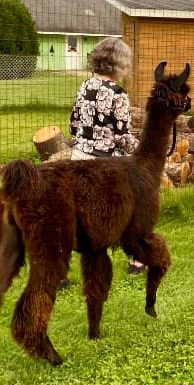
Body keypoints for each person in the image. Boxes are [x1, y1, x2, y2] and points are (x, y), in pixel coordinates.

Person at [69, 37, 145, 274]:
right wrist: (142, 149)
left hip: (79, 159)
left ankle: (58, 270)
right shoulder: (118, 94)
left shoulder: (85, 86)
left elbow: (73, 125)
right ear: (119, 64)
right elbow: (122, 137)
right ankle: (136, 260)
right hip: (106, 164)